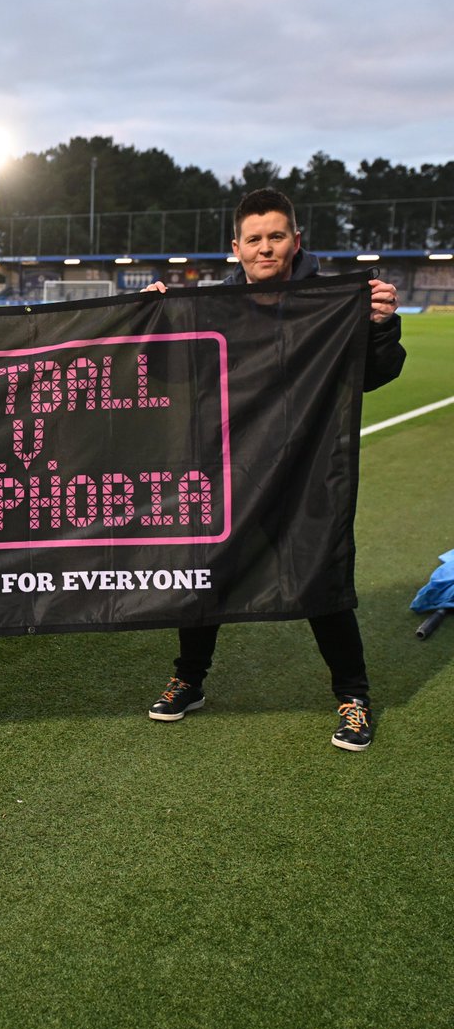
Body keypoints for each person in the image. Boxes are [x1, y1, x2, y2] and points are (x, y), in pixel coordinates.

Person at [143, 187, 405, 751]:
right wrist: (152, 318)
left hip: (305, 469)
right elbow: (168, 374)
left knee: (321, 578)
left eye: (277, 236)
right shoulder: (211, 306)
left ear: (296, 241)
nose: (266, 248)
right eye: (254, 239)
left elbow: (374, 375)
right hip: (227, 466)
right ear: (235, 247)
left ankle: (353, 696)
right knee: (204, 572)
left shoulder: (328, 300)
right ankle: (189, 680)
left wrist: (382, 325)